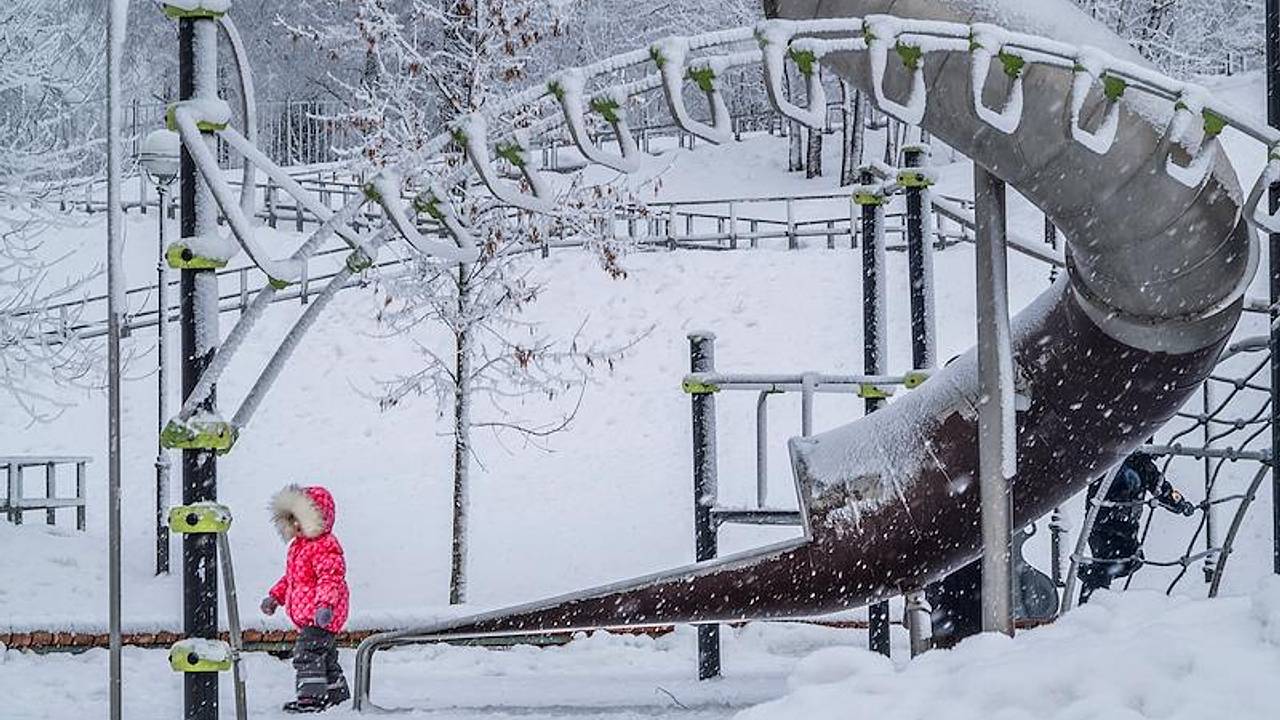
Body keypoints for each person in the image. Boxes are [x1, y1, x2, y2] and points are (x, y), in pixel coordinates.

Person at [261, 485, 351, 713]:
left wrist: (325, 606)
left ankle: (311, 699)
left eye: (302, 520)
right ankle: (337, 696)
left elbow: (330, 579)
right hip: (314, 616)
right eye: (293, 521)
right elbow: (292, 579)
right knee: (325, 656)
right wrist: (275, 596)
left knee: (306, 654)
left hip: (321, 615)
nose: (297, 526)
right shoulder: (299, 547)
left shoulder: (324, 546)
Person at [1077, 451, 1196, 604]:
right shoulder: (1112, 461)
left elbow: (1161, 489)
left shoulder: (1145, 466)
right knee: (1105, 566)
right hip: (1104, 525)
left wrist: (1179, 503)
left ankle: (1089, 577)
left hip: (1128, 526)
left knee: (1133, 561)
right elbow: (1098, 485)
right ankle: (1089, 605)